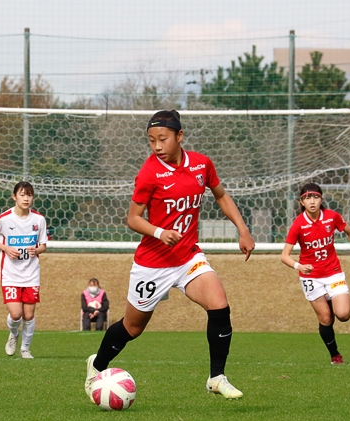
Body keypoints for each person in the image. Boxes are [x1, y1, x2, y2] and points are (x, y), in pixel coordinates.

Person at [84, 110, 255, 401]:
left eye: (162, 139)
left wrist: (243, 230)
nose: (157, 146)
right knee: (132, 327)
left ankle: (217, 377)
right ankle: (96, 365)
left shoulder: (202, 165)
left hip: (188, 256)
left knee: (220, 305)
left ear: (179, 136)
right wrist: (159, 232)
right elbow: (133, 218)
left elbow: (221, 195)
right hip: (153, 264)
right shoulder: (150, 172)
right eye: (151, 141)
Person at [281, 183, 350, 365]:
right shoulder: (298, 224)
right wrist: (299, 266)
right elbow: (284, 256)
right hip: (311, 278)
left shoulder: (331, 217)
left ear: (321, 199)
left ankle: (331, 298)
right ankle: (335, 355)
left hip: (333, 272)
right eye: (307, 198)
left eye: (315, 197)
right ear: (302, 202)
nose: (312, 201)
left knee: (343, 315)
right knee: (326, 318)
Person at [0, 181, 48, 359]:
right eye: (22, 194)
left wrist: (36, 250)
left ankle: (25, 349)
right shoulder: (4, 219)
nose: (26, 198)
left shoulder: (39, 219)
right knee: (16, 314)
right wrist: (5, 248)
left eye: (29, 195)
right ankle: (13, 334)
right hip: (10, 274)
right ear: (14, 197)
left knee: (29, 315)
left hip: (31, 274)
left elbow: (43, 246)